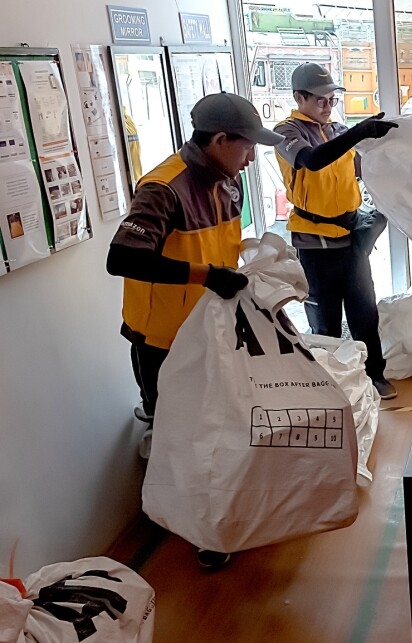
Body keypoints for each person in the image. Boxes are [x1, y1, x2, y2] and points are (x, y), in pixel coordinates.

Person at [106, 92, 283, 570]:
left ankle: (219, 516)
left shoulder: (229, 182)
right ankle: (195, 527)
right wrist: (206, 276)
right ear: (220, 139)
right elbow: (121, 258)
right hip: (164, 341)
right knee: (180, 434)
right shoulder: (164, 189)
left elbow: (217, 247)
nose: (251, 159)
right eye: (247, 147)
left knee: (222, 427)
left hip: (212, 328)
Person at [273, 63, 398, 399]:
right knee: (325, 320)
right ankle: (329, 387)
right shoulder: (286, 132)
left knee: (363, 310)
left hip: (351, 236)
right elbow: (313, 161)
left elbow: (360, 167)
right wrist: (357, 133)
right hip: (315, 243)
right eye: (320, 100)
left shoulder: (338, 129)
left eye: (332, 100)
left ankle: (374, 376)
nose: (328, 107)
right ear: (299, 97)